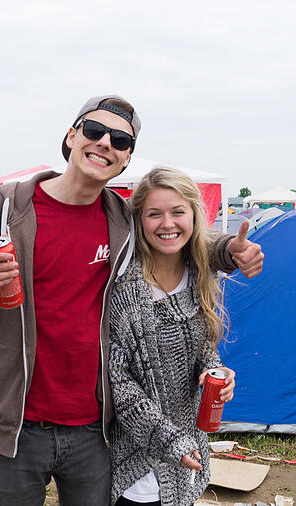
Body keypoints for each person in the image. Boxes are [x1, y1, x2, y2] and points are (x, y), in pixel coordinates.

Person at [0, 95, 265, 506]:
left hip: (95, 428)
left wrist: (228, 254)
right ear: (71, 137)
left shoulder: (120, 219)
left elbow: (172, 235)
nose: (105, 143)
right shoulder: (7, 209)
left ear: (127, 159)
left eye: (121, 140)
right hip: (17, 423)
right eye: (94, 131)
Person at [108, 167, 237, 506]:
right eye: (155, 214)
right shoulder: (125, 291)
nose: (168, 224)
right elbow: (120, 387)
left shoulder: (199, 277)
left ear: (193, 215)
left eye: (178, 212)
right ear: (140, 220)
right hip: (138, 467)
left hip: (188, 458)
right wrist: (171, 443)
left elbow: (204, 350)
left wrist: (214, 373)